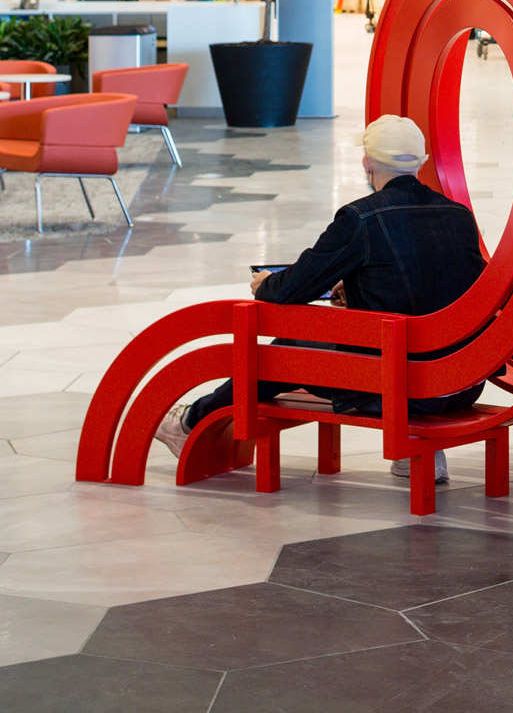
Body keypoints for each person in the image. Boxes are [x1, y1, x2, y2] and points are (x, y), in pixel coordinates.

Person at [154, 115, 490, 482]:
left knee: (283, 351)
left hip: (398, 391)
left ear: (367, 162)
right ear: (421, 163)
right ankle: (417, 447)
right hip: (461, 384)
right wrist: (361, 289)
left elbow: (293, 289)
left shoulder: (360, 218)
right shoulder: (458, 216)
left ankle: (192, 421)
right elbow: (440, 287)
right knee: (393, 348)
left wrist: (267, 283)